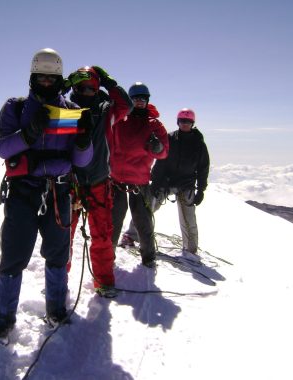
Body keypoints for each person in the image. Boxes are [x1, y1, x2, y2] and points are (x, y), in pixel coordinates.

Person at [0, 48, 94, 337]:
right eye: (42, 78)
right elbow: (2, 147)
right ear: (32, 78)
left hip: (58, 191)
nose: (47, 83)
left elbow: (81, 160)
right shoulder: (15, 108)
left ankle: (56, 308)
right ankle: (3, 317)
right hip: (23, 191)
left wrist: (84, 140)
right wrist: (27, 135)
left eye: (52, 79)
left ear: (59, 79)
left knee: (58, 253)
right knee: (14, 254)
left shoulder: (72, 112)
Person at [66, 66, 132, 298]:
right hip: (70, 181)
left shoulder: (106, 111)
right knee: (64, 235)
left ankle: (103, 280)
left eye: (91, 87)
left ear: (97, 88)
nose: (85, 91)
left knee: (102, 235)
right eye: (80, 87)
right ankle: (58, 277)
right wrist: (60, 87)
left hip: (98, 180)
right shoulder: (64, 108)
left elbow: (126, 106)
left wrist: (109, 82)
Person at [121, 108, 209, 257]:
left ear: (192, 123)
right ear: (178, 122)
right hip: (165, 182)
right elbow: (161, 161)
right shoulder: (170, 138)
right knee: (147, 209)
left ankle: (191, 249)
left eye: (187, 121)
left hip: (186, 184)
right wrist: (155, 182)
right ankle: (131, 236)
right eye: (182, 121)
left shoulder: (198, 144)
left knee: (189, 218)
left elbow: (203, 168)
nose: (184, 124)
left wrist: (201, 190)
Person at [109, 82, 169, 268]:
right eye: (136, 99)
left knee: (143, 223)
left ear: (147, 100)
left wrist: (157, 147)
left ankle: (149, 257)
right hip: (117, 179)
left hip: (140, 181)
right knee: (114, 221)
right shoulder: (119, 120)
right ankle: (107, 257)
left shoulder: (154, 125)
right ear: (130, 100)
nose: (140, 102)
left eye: (143, 98)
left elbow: (164, 152)